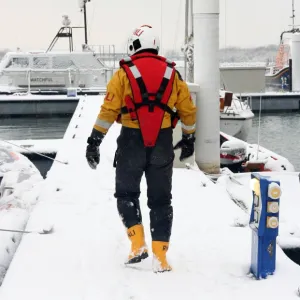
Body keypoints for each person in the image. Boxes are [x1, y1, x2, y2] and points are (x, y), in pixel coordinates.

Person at [86, 25, 196, 273]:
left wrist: (93, 142)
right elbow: (188, 110)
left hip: (131, 143)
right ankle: (161, 258)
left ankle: (138, 245)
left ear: (133, 46)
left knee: (126, 194)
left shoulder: (123, 75)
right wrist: (189, 138)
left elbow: (108, 112)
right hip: (162, 142)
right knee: (161, 200)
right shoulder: (173, 75)